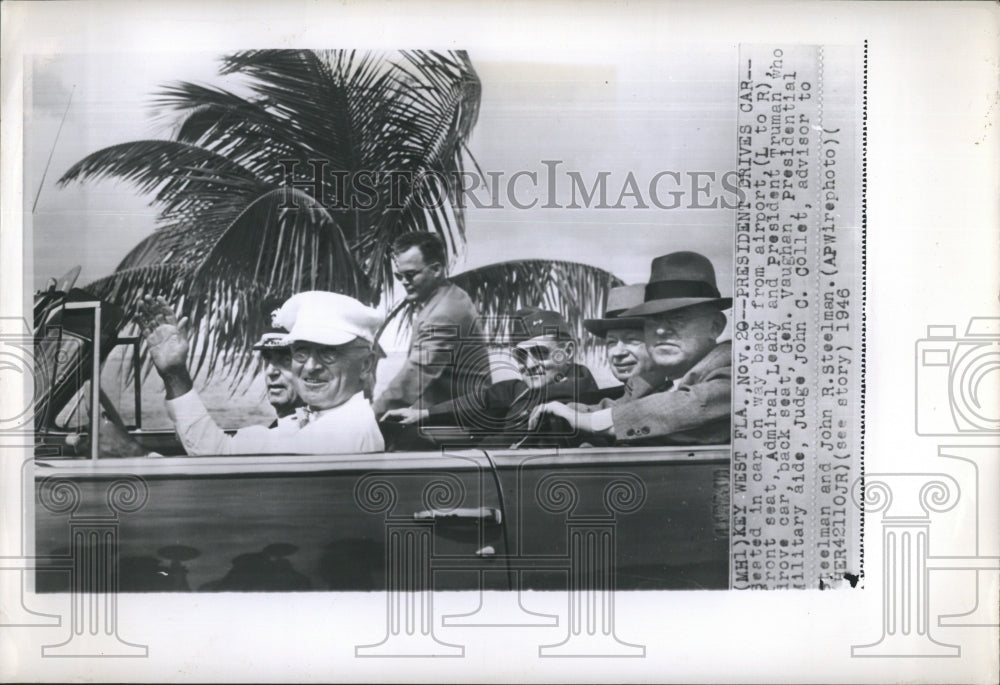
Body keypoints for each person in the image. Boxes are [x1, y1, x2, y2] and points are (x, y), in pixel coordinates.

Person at [138, 290, 385, 455]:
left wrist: (175, 374)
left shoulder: (340, 433)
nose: (310, 366)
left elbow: (216, 453)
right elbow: (220, 450)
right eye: (300, 352)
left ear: (365, 365)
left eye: (328, 352)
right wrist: (175, 372)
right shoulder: (321, 418)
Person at [530, 251, 732, 446]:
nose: (660, 330)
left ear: (715, 326)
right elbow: (617, 408)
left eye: (677, 319)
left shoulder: (739, 373)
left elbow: (688, 407)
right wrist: (561, 411)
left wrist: (585, 422)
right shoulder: (653, 384)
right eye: (652, 321)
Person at [381, 308, 598, 443]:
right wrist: (424, 414)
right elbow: (485, 399)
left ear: (567, 352)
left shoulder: (575, 395)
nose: (529, 365)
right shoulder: (524, 388)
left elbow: (510, 441)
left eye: (540, 353)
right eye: (521, 356)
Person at [371, 232, 491, 416]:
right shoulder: (450, 297)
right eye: (399, 276)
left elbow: (414, 377)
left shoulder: (444, 313)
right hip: (446, 415)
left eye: (410, 275)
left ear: (436, 269)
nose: (404, 282)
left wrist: (370, 417)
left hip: (458, 422)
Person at [582, 284, 651, 385]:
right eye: (611, 342)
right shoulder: (611, 399)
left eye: (631, 340)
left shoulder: (675, 398)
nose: (618, 353)